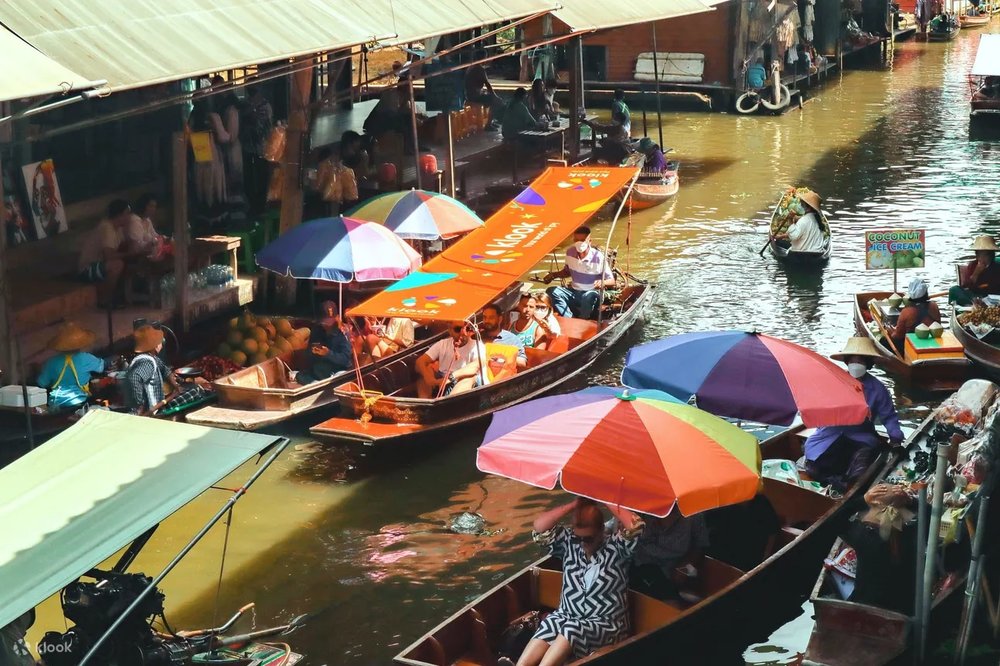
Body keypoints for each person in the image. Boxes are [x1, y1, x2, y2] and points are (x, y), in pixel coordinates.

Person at [513, 498, 643, 666]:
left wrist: (604, 498)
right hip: (568, 617)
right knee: (552, 622)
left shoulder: (617, 549)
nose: (583, 544)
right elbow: (539, 527)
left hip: (605, 626)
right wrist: (575, 504)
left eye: (588, 539)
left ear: (601, 531)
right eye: (578, 538)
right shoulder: (569, 544)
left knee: (571, 629)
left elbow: (635, 526)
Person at [803, 337, 905, 492]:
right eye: (852, 360)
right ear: (847, 362)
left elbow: (889, 416)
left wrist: (895, 438)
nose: (856, 364)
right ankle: (834, 483)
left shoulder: (877, 389)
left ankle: (847, 488)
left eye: (860, 361)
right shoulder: (833, 381)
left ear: (868, 364)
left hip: (861, 437)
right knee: (812, 466)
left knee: (858, 474)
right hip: (830, 434)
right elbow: (817, 408)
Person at [629, 512, 709, 602]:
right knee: (670, 602)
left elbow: (700, 545)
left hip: (678, 567)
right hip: (645, 566)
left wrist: (686, 565)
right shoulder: (640, 513)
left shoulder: (693, 515)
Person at [543, 226, 616, 320]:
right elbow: (567, 272)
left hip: (592, 293)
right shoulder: (570, 252)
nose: (579, 243)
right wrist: (553, 275)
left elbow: (611, 280)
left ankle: (583, 319)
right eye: (577, 240)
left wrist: (602, 282)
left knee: (588, 296)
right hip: (574, 292)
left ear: (589, 241)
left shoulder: (598, 257)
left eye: (582, 240)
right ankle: (570, 318)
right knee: (551, 291)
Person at [77, 199, 136, 308]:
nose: (129, 217)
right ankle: (104, 300)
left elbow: (126, 245)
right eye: (127, 214)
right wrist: (130, 254)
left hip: (101, 265)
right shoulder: (107, 227)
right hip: (87, 268)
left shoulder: (118, 229)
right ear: (119, 215)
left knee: (126, 264)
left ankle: (121, 297)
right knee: (117, 265)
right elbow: (109, 256)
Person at [37, 322, 104, 412]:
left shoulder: (51, 362)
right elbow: (100, 367)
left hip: (56, 404)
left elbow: (42, 383)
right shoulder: (86, 358)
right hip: (80, 401)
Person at [415, 321, 484, 398]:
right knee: (424, 373)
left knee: (467, 379)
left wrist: (450, 377)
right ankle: (426, 403)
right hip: (443, 381)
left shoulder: (476, 345)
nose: (463, 333)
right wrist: (429, 378)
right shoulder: (443, 344)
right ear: (450, 330)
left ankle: (451, 403)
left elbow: (476, 366)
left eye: (467, 329)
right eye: (458, 329)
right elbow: (420, 361)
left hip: (464, 383)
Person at [124, 324, 180, 415]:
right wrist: (139, 405)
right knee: (194, 393)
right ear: (155, 346)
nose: (161, 344)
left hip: (156, 406)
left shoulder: (152, 358)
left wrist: (175, 385)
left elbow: (165, 370)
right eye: (160, 342)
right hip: (150, 411)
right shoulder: (147, 362)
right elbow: (135, 377)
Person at [188, 99, 229, 209]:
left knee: (201, 181)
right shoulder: (213, 116)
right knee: (214, 181)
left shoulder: (193, 117)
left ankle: (204, 209)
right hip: (213, 152)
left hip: (199, 150)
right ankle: (215, 210)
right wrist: (230, 135)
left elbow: (189, 137)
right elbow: (223, 137)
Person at [241, 84, 274, 214]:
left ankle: (261, 205)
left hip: (262, 147)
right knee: (249, 177)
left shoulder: (265, 106)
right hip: (248, 147)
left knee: (262, 177)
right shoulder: (245, 105)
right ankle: (252, 205)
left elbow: (266, 124)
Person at [298, 308, 353, 384]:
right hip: (319, 370)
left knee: (340, 376)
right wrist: (313, 352)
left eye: (331, 321)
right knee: (300, 375)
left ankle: (320, 384)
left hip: (338, 370)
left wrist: (328, 353)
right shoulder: (317, 330)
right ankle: (316, 384)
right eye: (325, 322)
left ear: (337, 318)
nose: (328, 325)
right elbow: (308, 355)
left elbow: (345, 360)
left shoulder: (343, 332)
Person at [888, 278, 941, 351]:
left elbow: (898, 336)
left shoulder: (906, 312)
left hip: (912, 346)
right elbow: (938, 326)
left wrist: (890, 332)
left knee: (884, 341)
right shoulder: (934, 306)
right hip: (932, 342)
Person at [950, 235, 1000, 305]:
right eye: (978, 254)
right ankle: (972, 305)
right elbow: (966, 286)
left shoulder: (997, 266)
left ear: (991, 255)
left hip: (993, 297)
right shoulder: (973, 265)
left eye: (985, 255)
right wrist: (976, 273)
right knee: (955, 289)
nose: (981, 258)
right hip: (975, 297)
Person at [126, 194, 170, 260]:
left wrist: (165, 239)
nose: (153, 209)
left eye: (154, 206)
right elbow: (137, 247)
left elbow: (155, 235)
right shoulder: (134, 220)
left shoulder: (147, 220)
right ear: (143, 206)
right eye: (151, 206)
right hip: (137, 257)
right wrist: (152, 242)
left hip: (149, 253)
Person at [465, 63, 505, 127]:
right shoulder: (480, 69)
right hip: (475, 97)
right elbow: (487, 85)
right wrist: (495, 97)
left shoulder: (471, 67)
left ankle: (490, 121)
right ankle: (488, 124)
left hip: (469, 96)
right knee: (496, 101)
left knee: (489, 97)